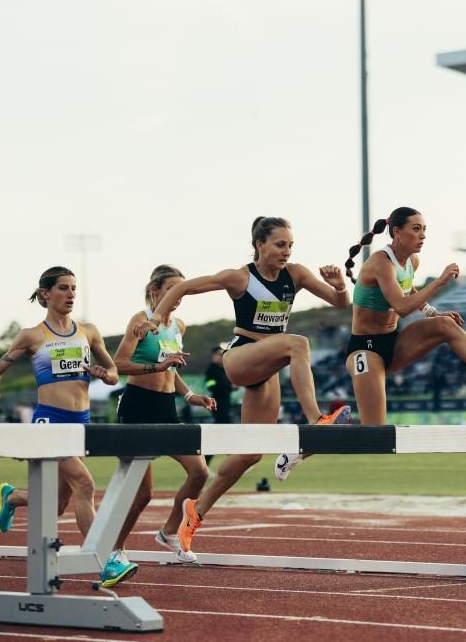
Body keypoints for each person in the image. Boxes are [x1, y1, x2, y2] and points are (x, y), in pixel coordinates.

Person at [134, 216, 352, 554]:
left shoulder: (296, 275)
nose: (286, 251)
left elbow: (341, 304)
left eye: (290, 245)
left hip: (268, 366)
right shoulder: (240, 277)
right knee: (299, 343)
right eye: (280, 245)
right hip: (240, 358)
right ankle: (315, 423)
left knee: (250, 453)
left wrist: (339, 285)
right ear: (260, 245)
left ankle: (190, 516)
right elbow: (183, 287)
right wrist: (156, 316)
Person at [274, 207, 466, 479]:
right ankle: (304, 447)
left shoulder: (412, 262)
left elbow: (409, 291)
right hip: (365, 349)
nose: (422, 236)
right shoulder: (379, 263)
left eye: (424, 230)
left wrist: (435, 313)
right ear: (397, 232)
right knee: (376, 433)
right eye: (416, 229)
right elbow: (401, 306)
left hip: (393, 341)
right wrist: (442, 281)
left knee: (446, 325)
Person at [0, 267, 132, 587]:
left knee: (59, 504)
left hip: (81, 423)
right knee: (85, 486)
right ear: (46, 293)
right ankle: (103, 562)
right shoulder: (32, 335)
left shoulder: (88, 331)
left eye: (74, 288)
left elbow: (116, 373)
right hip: (49, 422)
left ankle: (13, 498)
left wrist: (106, 375)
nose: (71, 294)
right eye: (63, 288)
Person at [111, 264, 216, 564]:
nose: (178, 295)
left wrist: (189, 394)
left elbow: (171, 367)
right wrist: (153, 368)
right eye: (172, 289)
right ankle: (114, 549)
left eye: (182, 289)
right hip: (138, 406)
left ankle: (169, 530)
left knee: (200, 472)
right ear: (154, 291)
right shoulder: (141, 320)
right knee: (142, 494)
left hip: (167, 407)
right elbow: (118, 364)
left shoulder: (178, 326)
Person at [203, 344, 236, 464]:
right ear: (213, 356)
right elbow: (211, 385)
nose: (222, 357)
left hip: (224, 404)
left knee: (223, 434)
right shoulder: (211, 370)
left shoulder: (222, 370)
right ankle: (234, 461)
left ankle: (233, 461)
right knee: (223, 433)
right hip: (218, 405)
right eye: (220, 354)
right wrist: (228, 386)